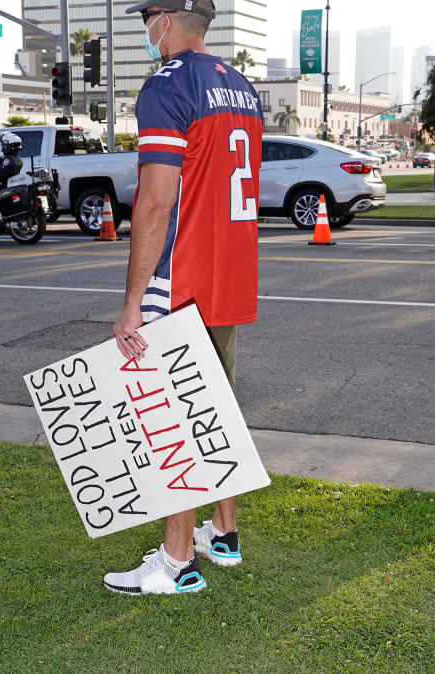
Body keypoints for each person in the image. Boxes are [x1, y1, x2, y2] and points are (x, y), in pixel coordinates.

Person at [104, 0, 264, 596]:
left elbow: (154, 203)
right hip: (231, 272)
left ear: (167, 21)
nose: (147, 28)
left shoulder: (168, 84)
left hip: (183, 275)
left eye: (149, 18)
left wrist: (131, 299)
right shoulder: (242, 85)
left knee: (173, 419)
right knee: (214, 409)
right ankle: (223, 534)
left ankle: (174, 562)